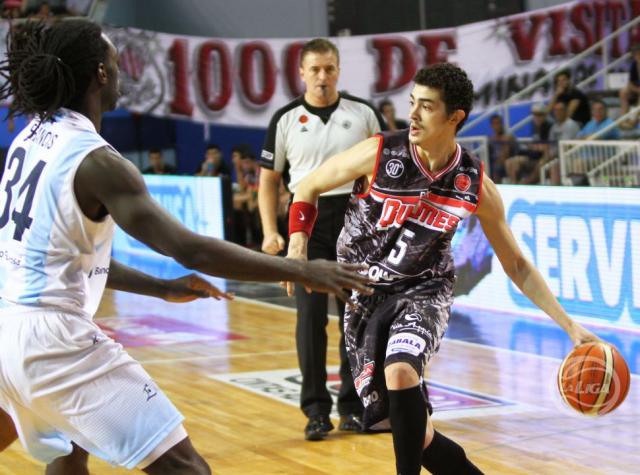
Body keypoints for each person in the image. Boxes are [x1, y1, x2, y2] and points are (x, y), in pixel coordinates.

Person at [0, 20, 371, 474]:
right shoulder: (97, 161)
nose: (120, 74)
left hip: (8, 328)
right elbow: (190, 249)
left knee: (69, 453)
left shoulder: (30, 136)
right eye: (115, 63)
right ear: (99, 74)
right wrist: (301, 269)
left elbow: (72, 260)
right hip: (54, 342)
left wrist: (161, 288)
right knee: (187, 469)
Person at [284, 63, 599, 475]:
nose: (413, 114)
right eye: (412, 102)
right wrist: (297, 246)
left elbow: (517, 265)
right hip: (364, 295)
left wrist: (570, 326)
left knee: (401, 372)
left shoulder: (473, 182)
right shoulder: (380, 152)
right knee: (417, 434)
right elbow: (307, 186)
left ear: (455, 117)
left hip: (424, 290)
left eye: (427, 106)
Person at [258, 38, 385, 441]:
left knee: (356, 317)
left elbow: (384, 171)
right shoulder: (285, 119)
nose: (322, 76)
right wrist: (270, 231)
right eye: (314, 69)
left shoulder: (363, 113)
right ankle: (315, 410)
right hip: (307, 224)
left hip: (356, 221)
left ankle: (353, 406)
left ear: (338, 70)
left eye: (329, 68)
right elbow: (268, 181)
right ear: (301, 73)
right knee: (310, 319)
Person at [505, 103, 552, 184]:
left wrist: (535, 147)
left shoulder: (549, 126)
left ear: (544, 115)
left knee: (540, 163)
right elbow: (536, 146)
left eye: (539, 114)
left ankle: (526, 184)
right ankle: (515, 184)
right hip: (533, 156)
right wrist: (534, 147)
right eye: (535, 114)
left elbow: (547, 147)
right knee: (510, 162)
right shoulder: (535, 127)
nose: (537, 117)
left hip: (544, 158)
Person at [487, 113, 517, 183]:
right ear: (491, 125)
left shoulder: (508, 137)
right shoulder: (491, 139)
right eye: (495, 124)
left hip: (506, 163)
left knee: (497, 168)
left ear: (502, 124)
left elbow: (506, 155)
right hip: (493, 163)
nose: (497, 126)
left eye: (499, 123)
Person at [619, 43, 640, 124]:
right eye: (636, 55)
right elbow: (630, 83)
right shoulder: (634, 64)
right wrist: (637, 90)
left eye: (638, 54)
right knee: (623, 92)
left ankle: (634, 120)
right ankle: (623, 118)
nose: (637, 56)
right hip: (638, 88)